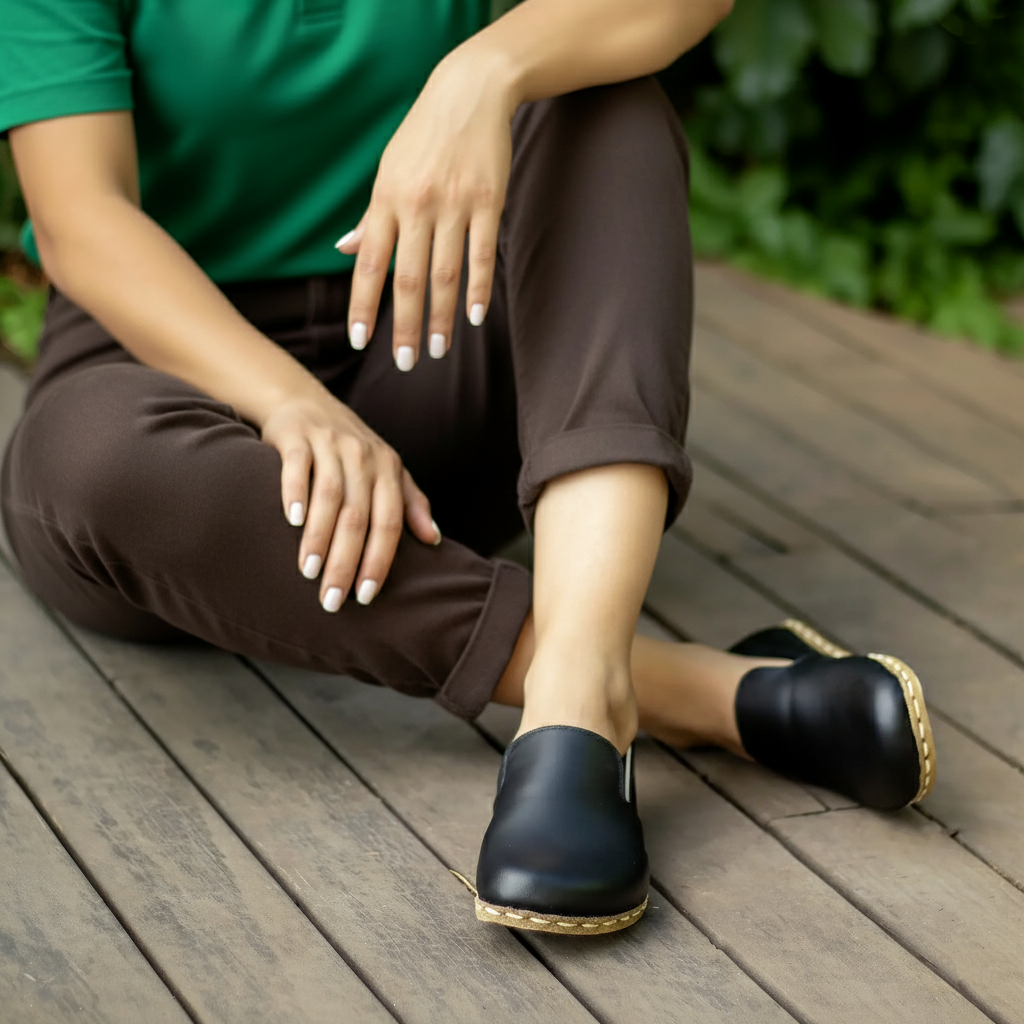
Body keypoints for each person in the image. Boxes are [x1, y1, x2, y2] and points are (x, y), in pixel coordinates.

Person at [0, 0, 935, 937]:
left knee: (604, 107)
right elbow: (82, 217)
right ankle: (688, 691)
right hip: (174, 377)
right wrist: (290, 402)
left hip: (437, 331)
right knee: (85, 456)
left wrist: (485, 71)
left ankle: (574, 705)